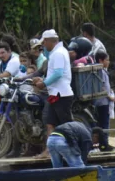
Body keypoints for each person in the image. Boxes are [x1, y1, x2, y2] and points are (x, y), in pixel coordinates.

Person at [32, 29, 74, 159]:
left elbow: (58, 73)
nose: (43, 46)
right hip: (54, 93)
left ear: (49, 41)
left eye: (44, 42)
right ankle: (49, 151)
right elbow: (53, 73)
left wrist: (43, 84)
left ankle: (73, 149)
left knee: (65, 125)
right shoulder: (55, 53)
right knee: (50, 123)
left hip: (62, 94)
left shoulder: (59, 53)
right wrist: (44, 81)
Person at [93, 51, 114, 151]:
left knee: (100, 124)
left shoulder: (101, 70)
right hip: (102, 102)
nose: (108, 62)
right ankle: (104, 144)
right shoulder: (100, 71)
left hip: (100, 102)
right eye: (107, 60)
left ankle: (103, 144)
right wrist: (110, 97)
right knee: (104, 124)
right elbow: (102, 87)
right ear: (100, 60)